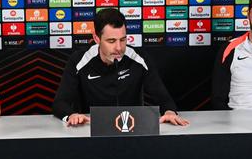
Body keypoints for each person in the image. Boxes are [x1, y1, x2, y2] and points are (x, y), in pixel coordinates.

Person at [51, 7, 190, 127]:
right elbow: (60, 103)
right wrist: (71, 115)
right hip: (91, 130)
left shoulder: (138, 58)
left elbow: (164, 99)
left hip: (132, 129)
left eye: (123, 40)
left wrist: (170, 112)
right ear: (96, 38)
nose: (119, 47)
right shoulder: (79, 60)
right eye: (111, 41)